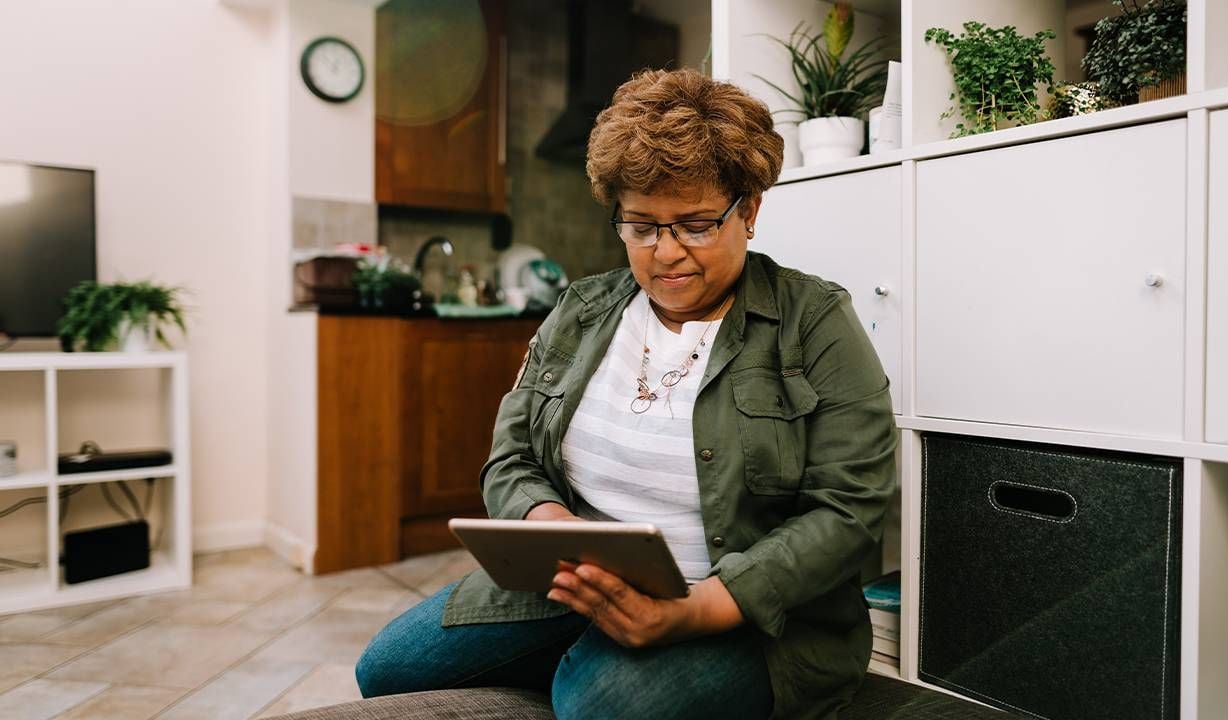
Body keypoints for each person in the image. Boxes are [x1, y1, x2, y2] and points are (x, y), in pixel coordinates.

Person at [355, 67, 897, 720]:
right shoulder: (583, 311)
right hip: (573, 586)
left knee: (597, 705)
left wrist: (694, 611)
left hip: (744, 614)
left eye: (695, 225)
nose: (665, 253)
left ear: (748, 211)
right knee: (385, 667)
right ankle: (587, 648)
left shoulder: (812, 322)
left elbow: (850, 509)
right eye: (641, 226)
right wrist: (548, 527)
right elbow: (514, 454)